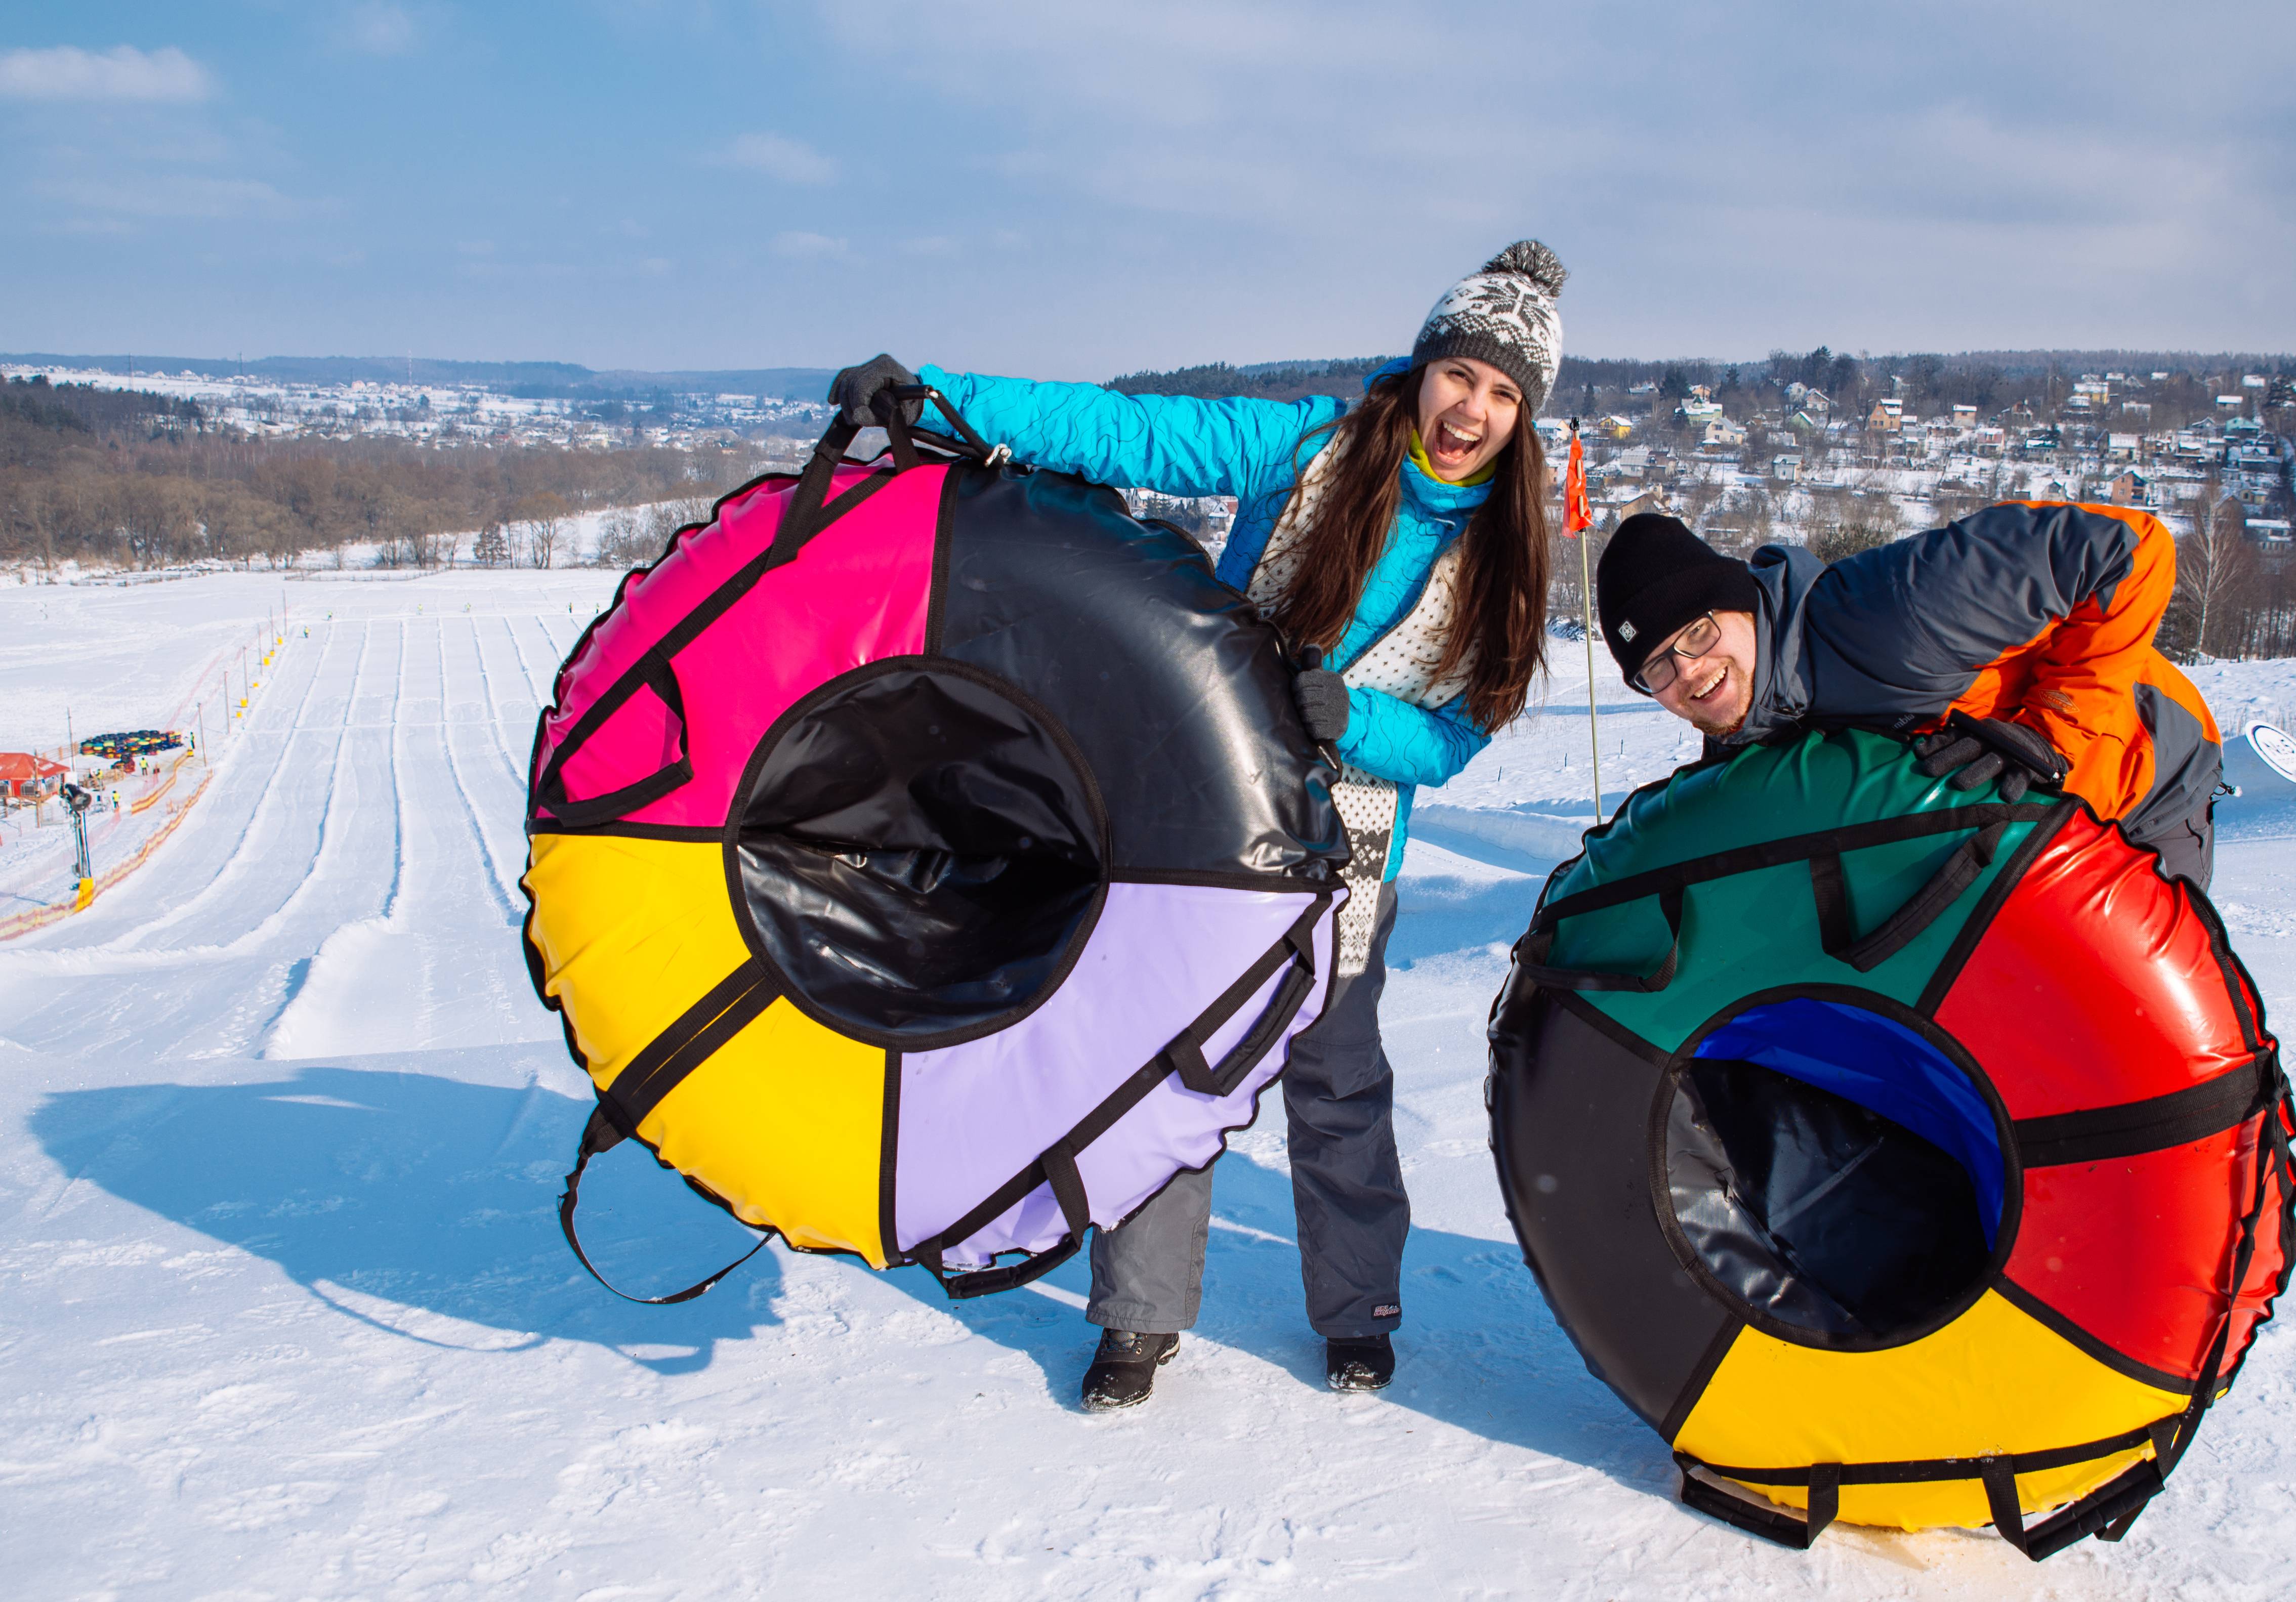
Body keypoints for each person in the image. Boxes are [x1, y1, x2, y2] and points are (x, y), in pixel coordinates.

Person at [835, 241, 1566, 1407]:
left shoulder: (1507, 558)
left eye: (1503, 394)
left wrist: (1357, 719)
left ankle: (1359, 1310)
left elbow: (1453, 739)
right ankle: (1139, 1315)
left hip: (1348, 849)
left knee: (1336, 1082)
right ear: (1424, 367)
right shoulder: (1310, 449)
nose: (1472, 410)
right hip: (1204, 806)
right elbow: (1133, 433)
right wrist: (943, 396)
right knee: (1170, 1064)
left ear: (1524, 418)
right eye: (1460, 375)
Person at [1592, 503, 2222, 886]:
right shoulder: (1746, 729)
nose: (1689, 672)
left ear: (1742, 606)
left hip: (2145, 790)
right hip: (2017, 841)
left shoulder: (1898, 610)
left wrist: (2052, 730)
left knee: (2123, 1031)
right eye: (1656, 668)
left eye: (1697, 633)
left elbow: (2129, 548)